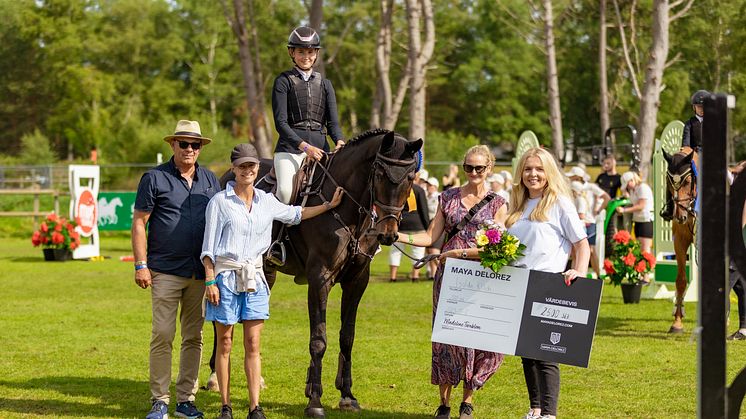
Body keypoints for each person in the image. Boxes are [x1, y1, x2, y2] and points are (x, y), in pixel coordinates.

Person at [201, 143, 343, 419]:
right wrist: (210, 281)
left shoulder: (266, 201)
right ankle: (225, 406)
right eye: (242, 166)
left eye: (251, 165)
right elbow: (208, 248)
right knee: (226, 342)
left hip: (255, 278)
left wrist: (329, 205)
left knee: (253, 345)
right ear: (233, 169)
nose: (248, 170)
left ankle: (255, 407)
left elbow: (296, 214)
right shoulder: (219, 202)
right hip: (226, 278)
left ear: (256, 168)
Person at [396, 145, 508, 419]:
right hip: (449, 277)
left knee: (478, 337)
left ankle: (467, 401)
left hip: (482, 277)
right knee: (446, 337)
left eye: (479, 168)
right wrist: (397, 237)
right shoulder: (448, 198)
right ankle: (444, 403)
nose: (473, 172)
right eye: (468, 167)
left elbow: (498, 248)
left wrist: (458, 252)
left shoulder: (498, 203)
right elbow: (430, 236)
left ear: (489, 169)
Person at [132, 120, 220, 419]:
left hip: (200, 274)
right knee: (163, 334)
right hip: (165, 271)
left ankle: (186, 400)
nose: (190, 149)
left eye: (195, 145)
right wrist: (141, 265)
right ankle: (160, 400)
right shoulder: (154, 178)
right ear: (173, 145)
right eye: (184, 144)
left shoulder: (210, 180)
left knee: (194, 338)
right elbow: (140, 223)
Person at [506, 147, 589, 419]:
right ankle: (535, 408)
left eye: (539, 169)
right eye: (528, 169)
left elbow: (582, 244)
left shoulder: (560, 203)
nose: (533, 174)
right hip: (519, 283)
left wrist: (579, 271)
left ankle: (549, 414)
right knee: (526, 352)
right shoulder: (517, 203)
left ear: (549, 172)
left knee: (545, 353)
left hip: (548, 284)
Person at [271, 26, 345, 204]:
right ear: (292, 52)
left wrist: (340, 141)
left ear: (316, 53)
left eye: (310, 52)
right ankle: (278, 231)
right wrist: (305, 148)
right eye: (301, 52)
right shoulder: (283, 82)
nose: (306, 57)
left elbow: (333, 123)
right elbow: (281, 123)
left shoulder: (326, 84)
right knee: (286, 191)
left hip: (321, 150)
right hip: (291, 151)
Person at [661, 89, 709, 220]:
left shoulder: (713, 123)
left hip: (710, 156)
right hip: (693, 156)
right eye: (699, 107)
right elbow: (686, 144)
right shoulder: (689, 124)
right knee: (672, 177)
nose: (702, 109)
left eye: (704, 107)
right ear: (694, 107)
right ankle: (669, 207)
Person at [566, 166, 609, 278]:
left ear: (577, 177)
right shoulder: (573, 188)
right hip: (580, 222)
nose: (569, 178)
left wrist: (598, 210)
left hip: (588, 221)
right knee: (579, 251)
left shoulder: (590, 187)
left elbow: (606, 197)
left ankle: (598, 275)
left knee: (590, 250)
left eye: (572, 176)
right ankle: (579, 275)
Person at [389, 171, 430, 282]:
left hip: (401, 224)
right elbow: (424, 211)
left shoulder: (398, 188)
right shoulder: (419, 190)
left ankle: (393, 277)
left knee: (395, 251)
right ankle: (415, 276)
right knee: (418, 251)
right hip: (417, 225)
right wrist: (428, 228)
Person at [617, 171, 654, 281]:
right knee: (641, 249)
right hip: (638, 221)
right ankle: (642, 274)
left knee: (645, 250)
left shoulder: (643, 187)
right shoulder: (634, 189)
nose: (627, 186)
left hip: (646, 220)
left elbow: (641, 206)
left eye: (628, 183)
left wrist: (624, 210)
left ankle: (646, 277)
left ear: (632, 180)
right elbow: (629, 198)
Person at [424, 176, 442, 281]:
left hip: (437, 225)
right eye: (428, 184)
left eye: (430, 185)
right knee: (429, 251)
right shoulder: (426, 197)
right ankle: (433, 275)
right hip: (428, 224)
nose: (428, 186)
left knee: (433, 251)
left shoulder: (439, 197)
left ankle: (444, 271)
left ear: (435, 186)